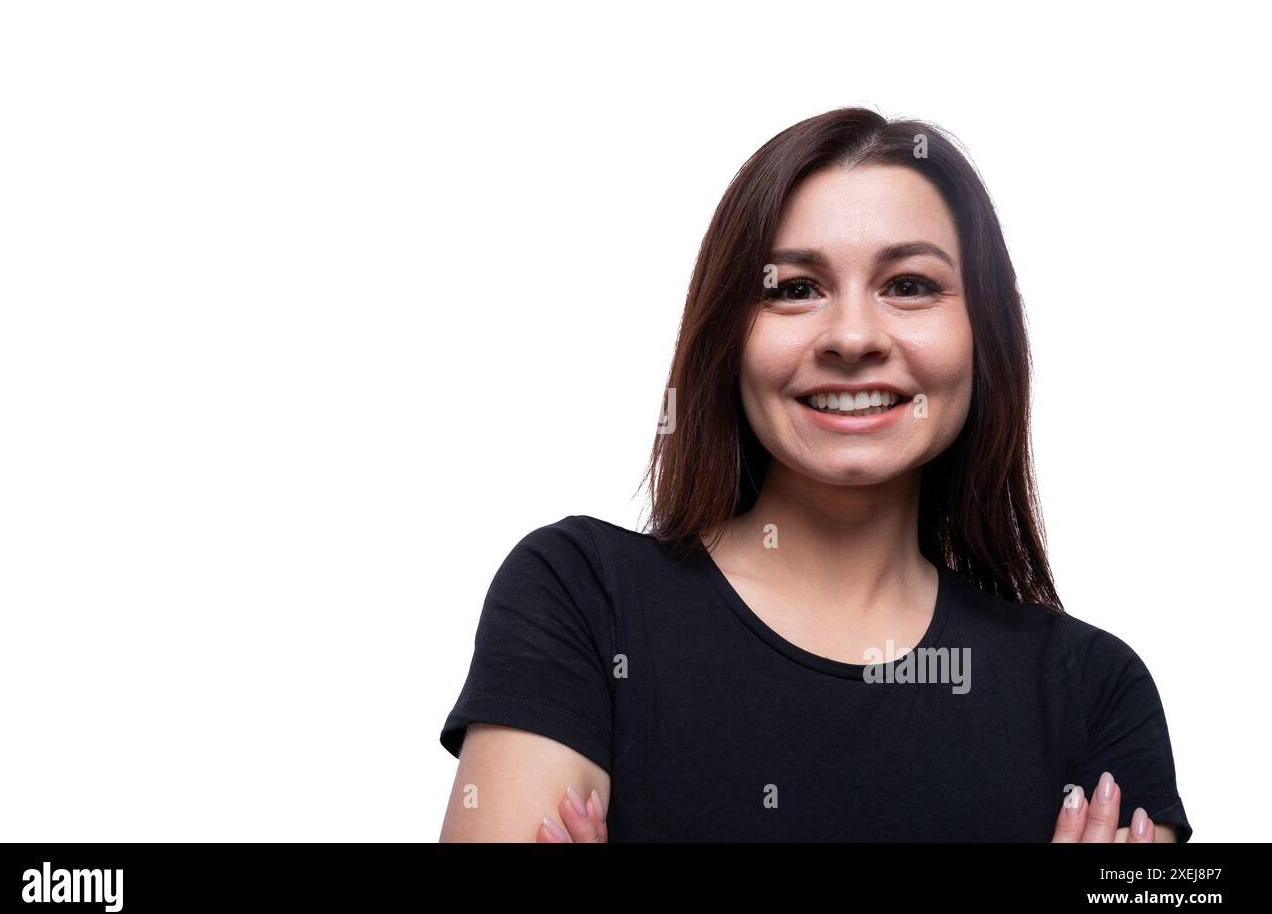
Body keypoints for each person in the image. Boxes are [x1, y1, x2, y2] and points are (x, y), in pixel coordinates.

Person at [437, 108, 1192, 843]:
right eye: (795, 289)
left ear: (983, 332)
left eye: (909, 285)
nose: (853, 337)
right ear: (728, 333)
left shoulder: (1093, 693)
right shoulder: (580, 598)